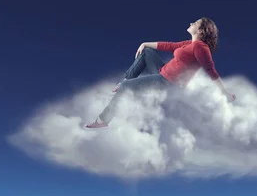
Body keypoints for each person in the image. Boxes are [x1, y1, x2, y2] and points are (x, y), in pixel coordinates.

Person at [84, 17, 236, 129]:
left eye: (195, 23)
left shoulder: (201, 48)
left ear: (201, 31)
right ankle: (124, 81)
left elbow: (211, 71)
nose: (191, 23)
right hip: (162, 71)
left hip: (168, 83)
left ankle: (103, 120)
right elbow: (170, 46)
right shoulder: (191, 43)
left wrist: (225, 93)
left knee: (126, 87)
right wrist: (144, 43)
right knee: (147, 53)